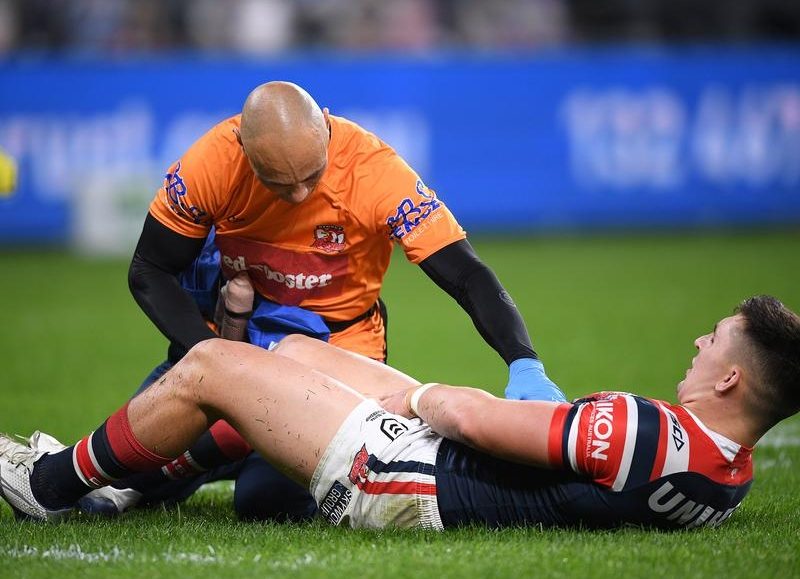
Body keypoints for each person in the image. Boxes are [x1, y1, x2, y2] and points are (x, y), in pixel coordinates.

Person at [116, 79, 564, 519]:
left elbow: (466, 274)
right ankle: (224, 446)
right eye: (277, 183)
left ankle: (237, 449)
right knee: (127, 464)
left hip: (341, 350)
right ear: (243, 149)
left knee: (266, 501)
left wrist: (523, 362)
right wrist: (214, 359)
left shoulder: (376, 172)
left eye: (312, 176)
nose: (299, 195)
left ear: (326, 129)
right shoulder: (211, 162)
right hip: (237, 336)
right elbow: (149, 270)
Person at [3, 295, 799, 529]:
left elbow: (482, 423)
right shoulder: (726, 472)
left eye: (715, 339)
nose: (699, 341)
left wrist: (418, 399)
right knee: (295, 354)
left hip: (407, 477)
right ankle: (133, 481)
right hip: (444, 473)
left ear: (732, 378)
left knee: (213, 363)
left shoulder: (646, 433)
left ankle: (47, 482)